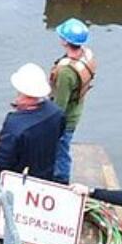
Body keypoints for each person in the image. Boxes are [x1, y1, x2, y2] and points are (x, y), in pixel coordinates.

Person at [0, 62, 64, 182]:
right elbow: (60, 134)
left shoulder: (15, 124)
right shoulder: (56, 112)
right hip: (45, 173)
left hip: (17, 177)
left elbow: (1, 159)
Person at [49, 17, 98, 182]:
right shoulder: (86, 55)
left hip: (66, 118)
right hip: (77, 109)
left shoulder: (66, 72)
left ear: (65, 41)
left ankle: (61, 180)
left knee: (60, 150)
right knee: (62, 147)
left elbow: (59, 106)